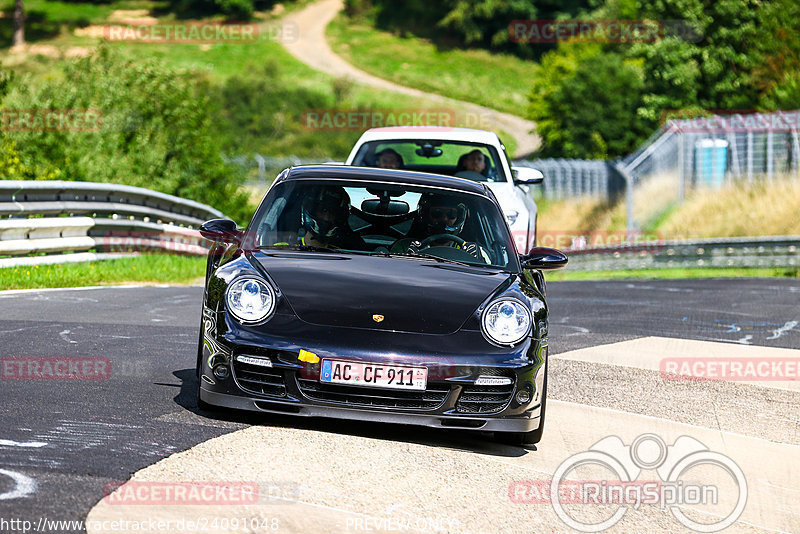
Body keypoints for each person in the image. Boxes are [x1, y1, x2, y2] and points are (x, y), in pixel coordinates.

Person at [390, 192, 490, 262]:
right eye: (436, 213)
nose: (444, 219)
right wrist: (407, 258)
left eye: (451, 214)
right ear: (426, 216)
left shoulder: (472, 251)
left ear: (459, 217)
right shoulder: (404, 247)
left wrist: (478, 261)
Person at [298, 186, 366, 250]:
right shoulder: (290, 245)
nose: (327, 218)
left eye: (333, 212)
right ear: (311, 210)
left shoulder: (351, 249)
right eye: (323, 210)